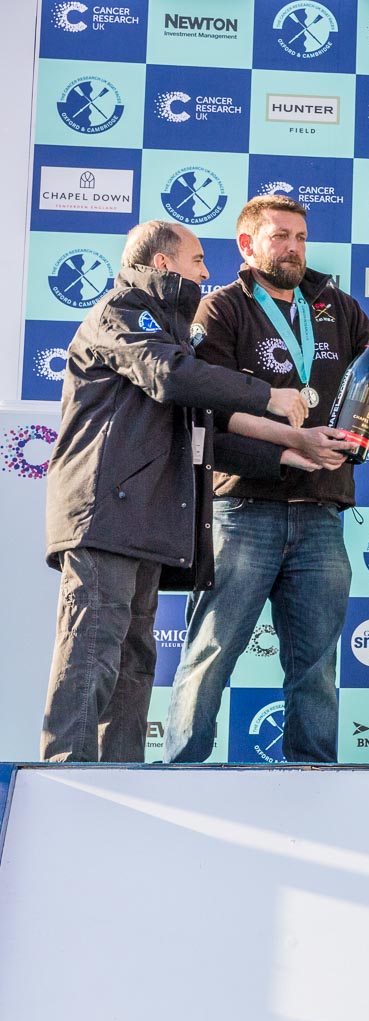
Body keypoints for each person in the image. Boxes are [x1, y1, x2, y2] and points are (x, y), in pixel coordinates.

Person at [41, 220, 344, 762]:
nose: (207, 272)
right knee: (91, 658)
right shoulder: (121, 312)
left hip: (146, 524)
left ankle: (122, 783)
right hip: (104, 517)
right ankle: (67, 779)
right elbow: (171, 376)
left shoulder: (170, 332)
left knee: (133, 665)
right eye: (198, 260)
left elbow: (202, 435)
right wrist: (266, 396)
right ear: (162, 264)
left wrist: (282, 453)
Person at [166, 194, 369, 764]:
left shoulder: (336, 305)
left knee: (316, 668)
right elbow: (209, 410)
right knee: (210, 653)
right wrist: (286, 451)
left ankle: (313, 782)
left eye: (300, 237)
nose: (294, 247)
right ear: (247, 245)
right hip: (245, 508)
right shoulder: (221, 309)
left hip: (322, 512)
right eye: (280, 237)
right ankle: (179, 772)